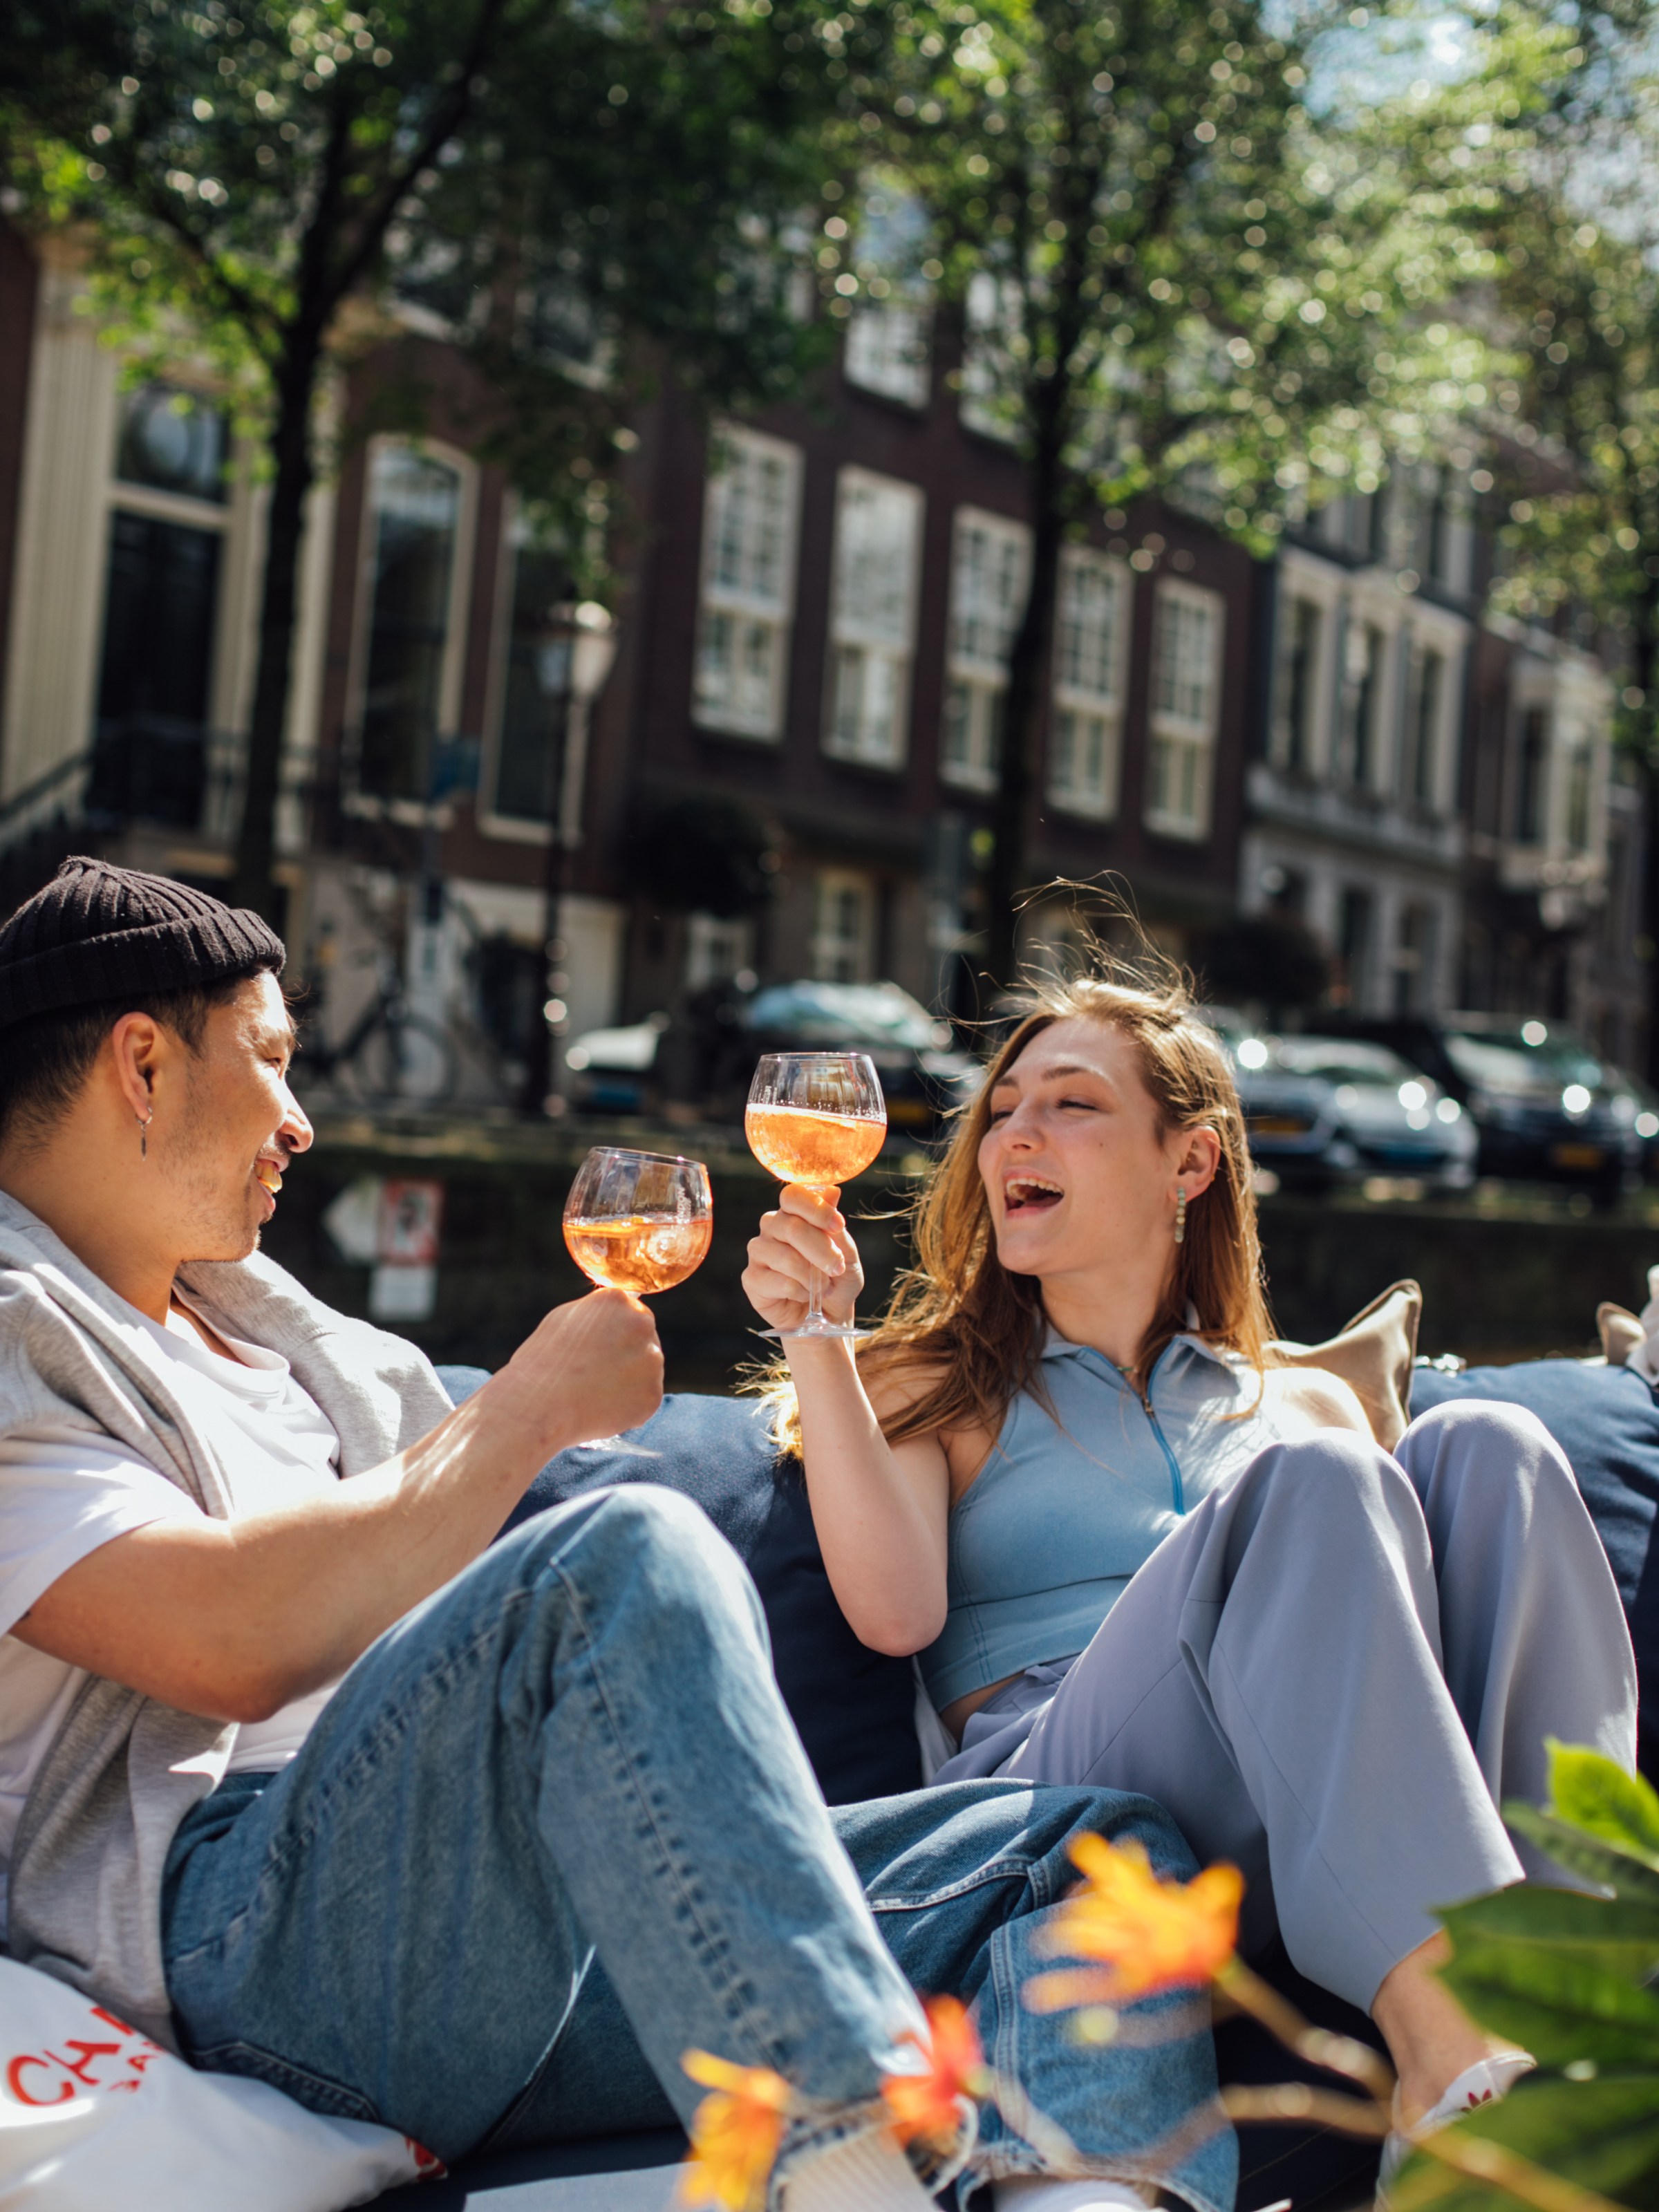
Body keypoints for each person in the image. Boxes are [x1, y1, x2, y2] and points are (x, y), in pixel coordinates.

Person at [0, 859, 1235, 2212]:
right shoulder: (23, 1334)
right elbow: (224, 1640)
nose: (300, 1121)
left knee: (1078, 1855)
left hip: (510, 1916)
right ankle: (848, 2167)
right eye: (274, 1061)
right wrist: (524, 1413)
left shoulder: (274, 1331)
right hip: (246, 1937)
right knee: (625, 1555)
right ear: (141, 1065)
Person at [744, 955, 1638, 2161]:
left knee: (1496, 1446)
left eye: (1071, 1103)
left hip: (1306, 1815)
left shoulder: (1299, 1405)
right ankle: (1450, 2061)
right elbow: (896, 1614)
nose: (1015, 1133)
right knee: (1318, 1480)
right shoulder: (932, 1381)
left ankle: (1590, 2018)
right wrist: (819, 1338)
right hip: (1068, 1797)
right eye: (1001, 1109)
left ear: (1192, 1161)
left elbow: (1424, 1646)